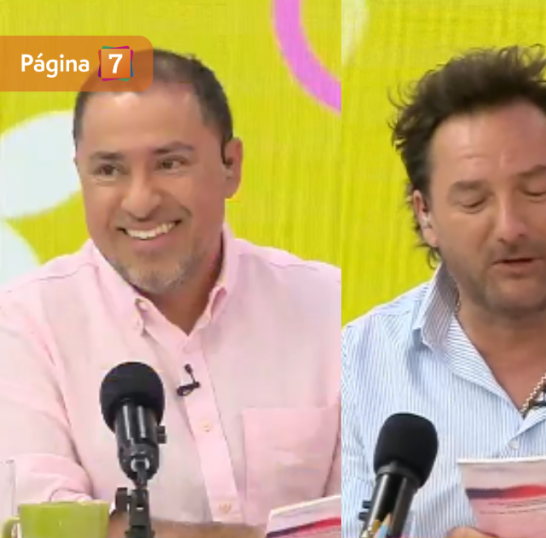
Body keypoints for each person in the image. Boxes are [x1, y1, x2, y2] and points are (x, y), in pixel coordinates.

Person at [339, 45, 546, 537]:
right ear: (425, 215)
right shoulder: (361, 364)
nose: (510, 227)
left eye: (535, 191)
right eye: (473, 201)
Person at [0, 50, 341, 538]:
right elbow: (42, 523)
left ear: (231, 166)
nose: (140, 201)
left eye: (170, 163)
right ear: (80, 176)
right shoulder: (23, 324)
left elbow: (373, 513)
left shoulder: (328, 305)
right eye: (109, 170)